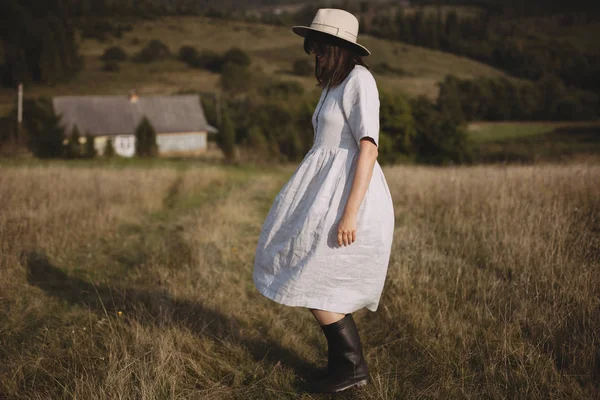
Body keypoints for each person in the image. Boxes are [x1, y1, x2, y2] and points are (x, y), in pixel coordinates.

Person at [252, 8, 395, 394]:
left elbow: (368, 148)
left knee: (312, 277)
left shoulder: (360, 82)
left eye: (317, 45)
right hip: (324, 191)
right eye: (310, 45)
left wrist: (350, 213)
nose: (312, 52)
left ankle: (351, 368)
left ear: (336, 47)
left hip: (347, 194)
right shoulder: (334, 85)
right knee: (317, 277)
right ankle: (341, 368)